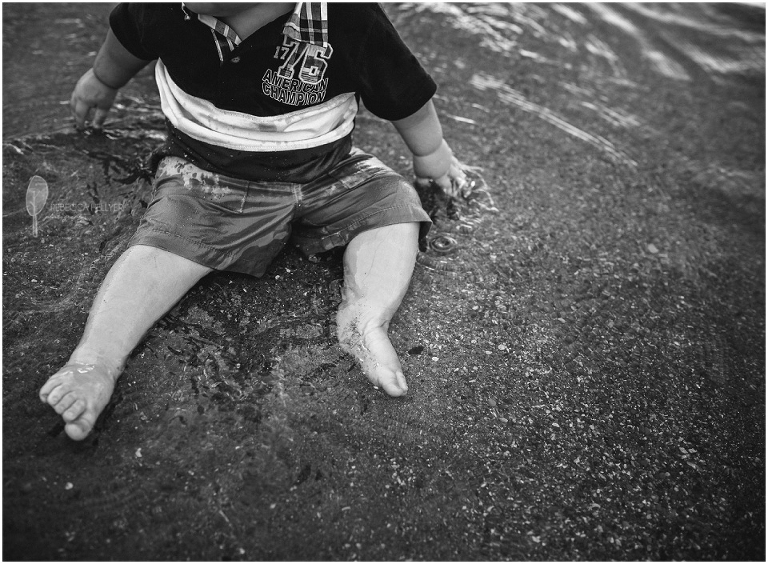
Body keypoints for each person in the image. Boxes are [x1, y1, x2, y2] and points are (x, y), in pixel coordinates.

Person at [39, 2, 467, 441]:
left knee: (394, 205)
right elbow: (127, 38)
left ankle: (365, 317)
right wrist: (102, 80)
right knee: (160, 247)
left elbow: (403, 93)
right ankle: (96, 361)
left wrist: (430, 155)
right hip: (208, 180)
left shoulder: (346, 15)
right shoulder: (166, 6)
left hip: (327, 170)